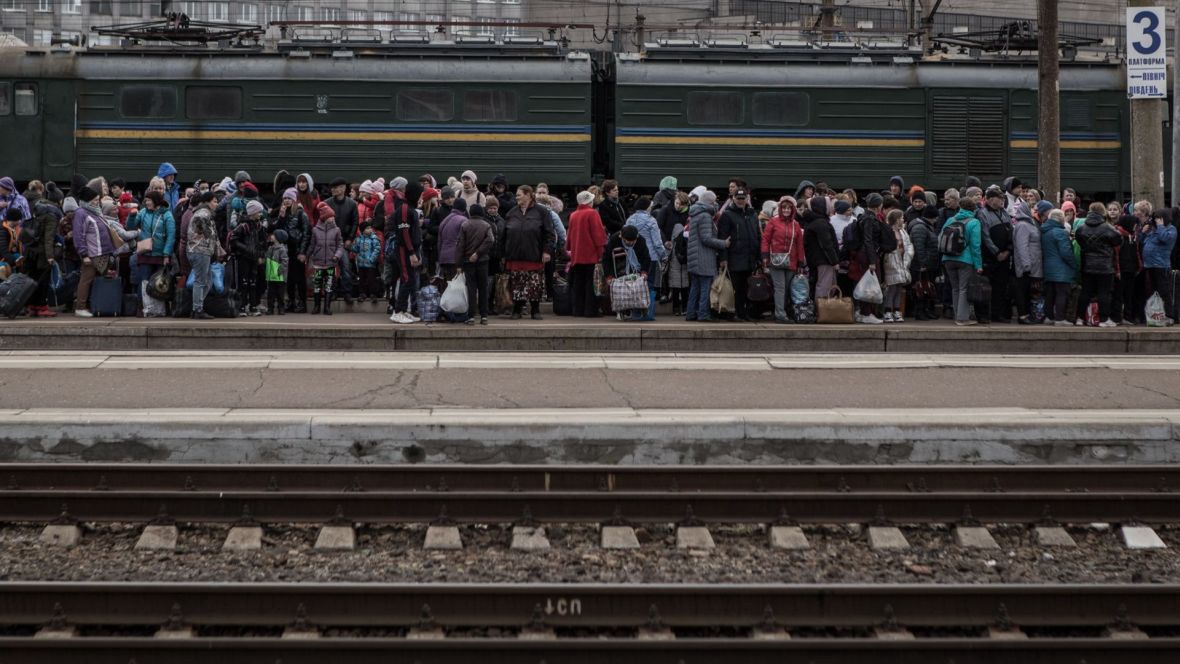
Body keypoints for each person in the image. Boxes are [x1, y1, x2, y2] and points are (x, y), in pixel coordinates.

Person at [500, 185, 555, 320]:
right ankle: (517, 310)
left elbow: (549, 234)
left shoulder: (542, 212)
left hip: (534, 255)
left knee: (534, 284)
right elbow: (504, 235)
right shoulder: (511, 213)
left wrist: (547, 251)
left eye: (519, 194)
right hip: (514, 255)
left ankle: (535, 310)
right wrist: (503, 254)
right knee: (516, 285)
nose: (516, 197)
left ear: (528, 195)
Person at [70, 185, 118, 318]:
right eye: (95, 200)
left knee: (96, 281)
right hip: (92, 254)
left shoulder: (94, 211)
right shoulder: (81, 213)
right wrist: (84, 254)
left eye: (98, 199)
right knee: (86, 280)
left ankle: (96, 305)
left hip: (101, 253)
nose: (98, 202)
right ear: (87, 200)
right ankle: (80, 307)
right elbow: (79, 236)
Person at [126, 191, 176, 311]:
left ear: (156, 201)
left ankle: (160, 308)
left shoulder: (167, 215)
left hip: (160, 254)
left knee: (160, 283)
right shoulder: (143, 213)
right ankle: (142, 307)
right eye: (146, 200)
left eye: (149, 200)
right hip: (145, 253)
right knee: (144, 281)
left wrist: (166, 254)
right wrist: (132, 216)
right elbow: (130, 227)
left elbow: (171, 236)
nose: (146, 202)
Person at [1075, 201, 1122, 327]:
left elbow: (1079, 240)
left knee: (1085, 292)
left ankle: (1080, 318)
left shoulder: (1081, 228)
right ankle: (1104, 319)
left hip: (1087, 266)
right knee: (1104, 293)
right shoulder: (1107, 227)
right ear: (1103, 212)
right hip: (1105, 266)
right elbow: (1118, 240)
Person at [717, 188, 761, 321]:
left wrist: (758, 256)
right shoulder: (727, 215)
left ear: (747, 199)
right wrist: (723, 258)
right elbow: (722, 237)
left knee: (746, 288)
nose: (741, 201)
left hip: (749, 257)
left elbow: (757, 236)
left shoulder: (752, 214)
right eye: (738, 198)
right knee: (734, 288)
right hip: (734, 257)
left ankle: (743, 313)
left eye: (743, 198)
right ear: (733, 199)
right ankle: (733, 312)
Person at [384, 178, 423, 324]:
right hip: (404, 250)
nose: (421, 197)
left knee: (410, 280)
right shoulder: (405, 209)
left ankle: (404, 311)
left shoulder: (409, 208)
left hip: (410, 250)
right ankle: (398, 311)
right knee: (406, 279)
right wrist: (412, 252)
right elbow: (404, 232)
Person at [761, 196, 806, 323]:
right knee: (780, 288)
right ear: (780, 208)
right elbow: (766, 239)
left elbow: (799, 244)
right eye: (784, 207)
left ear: (793, 210)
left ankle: (782, 311)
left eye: (789, 208)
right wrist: (764, 255)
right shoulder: (773, 222)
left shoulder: (795, 225)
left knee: (786, 288)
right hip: (776, 260)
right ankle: (780, 314)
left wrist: (800, 261)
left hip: (791, 260)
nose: (786, 210)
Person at [685, 190, 728, 322]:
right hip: (703, 257)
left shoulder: (696, 214)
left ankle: (691, 313)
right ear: (709, 202)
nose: (716, 204)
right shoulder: (705, 216)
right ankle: (703, 314)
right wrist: (724, 243)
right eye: (714, 201)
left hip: (695, 256)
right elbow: (706, 238)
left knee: (695, 287)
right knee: (705, 286)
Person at [624, 196, 667, 321]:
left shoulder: (630, 219)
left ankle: (636, 313)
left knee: (634, 285)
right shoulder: (651, 220)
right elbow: (657, 242)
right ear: (647, 207)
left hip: (633, 257)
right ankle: (647, 312)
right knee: (649, 285)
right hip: (650, 257)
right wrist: (663, 256)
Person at [941, 202, 983, 326]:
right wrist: (978, 265)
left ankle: (957, 314)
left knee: (955, 288)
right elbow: (975, 246)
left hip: (948, 258)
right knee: (963, 288)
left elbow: (941, 237)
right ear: (973, 209)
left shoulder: (950, 220)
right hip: (965, 259)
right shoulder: (974, 222)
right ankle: (962, 318)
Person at [566, 190, 607, 318]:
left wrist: (570, 250)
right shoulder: (593, 213)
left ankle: (578, 310)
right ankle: (591, 311)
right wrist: (601, 253)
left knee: (578, 284)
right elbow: (598, 235)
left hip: (577, 255)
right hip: (591, 255)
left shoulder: (573, 215)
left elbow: (569, 237)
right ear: (589, 201)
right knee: (592, 284)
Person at [977, 187, 1014, 322]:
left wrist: (1008, 250)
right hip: (990, 257)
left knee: (1001, 287)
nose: (1003, 201)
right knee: (986, 287)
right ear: (991, 199)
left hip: (1005, 256)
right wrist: (997, 252)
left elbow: (1011, 231)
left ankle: (997, 314)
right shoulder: (983, 213)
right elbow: (985, 236)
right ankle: (984, 315)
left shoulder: (1004, 213)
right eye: (1000, 198)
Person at [21, 194, 61, 317]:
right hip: (42, 254)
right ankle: (42, 307)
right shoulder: (52, 217)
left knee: (32, 280)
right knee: (43, 282)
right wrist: (50, 256)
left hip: (31, 252)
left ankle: (32, 306)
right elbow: (48, 238)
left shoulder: (39, 212)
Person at [272, 188, 310, 313]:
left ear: (294, 199)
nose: (287, 201)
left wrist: (303, 252)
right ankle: (292, 302)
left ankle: (302, 303)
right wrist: (281, 217)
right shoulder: (283, 213)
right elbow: (277, 231)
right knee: (289, 278)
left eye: (289, 198)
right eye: (285, 198)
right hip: (285, 250)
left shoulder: (300, 213)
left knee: (299, 278)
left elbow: (306, 233)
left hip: (297, 249)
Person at [457, 203, 496, 325]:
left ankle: (471, 316)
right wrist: (479, 253)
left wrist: (458, 264)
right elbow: (491, 240)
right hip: (483, 261)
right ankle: (484, 316)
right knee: (483, 288)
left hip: (468, 262)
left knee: (471, 288)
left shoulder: (465, 225)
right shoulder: (486, 225)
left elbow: (460, 246)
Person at [602, 225, 650, 321]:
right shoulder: (614, 240)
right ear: (621, 237)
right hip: (619, 267)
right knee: (621, 291)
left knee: (634, 290)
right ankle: (622, 310)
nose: (630, 243)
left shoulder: (641, 240)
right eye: (627, 241)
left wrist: (644, 272)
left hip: (635, 269)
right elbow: (606, 259)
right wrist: (609, 276)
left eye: (633, 241)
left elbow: (646, 258)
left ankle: (636, 310)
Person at [1139, 201, 1177, 318]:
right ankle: (1155, 314)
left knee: (1164, 291)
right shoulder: (1153, 230)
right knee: (1152, 290)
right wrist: (1143, 233)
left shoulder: (1171, 229)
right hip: (1149, 265)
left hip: (1161, 265)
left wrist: (1160, 226)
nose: (1155, 221)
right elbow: (1143, 242)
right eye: (1155, 219)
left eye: (1158, 218)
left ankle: (1170, 315)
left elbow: (1165, 239)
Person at [186, 191, 219, 320]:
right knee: (200, 281)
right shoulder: (203, 214)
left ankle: (196, 306)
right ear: (208, 202)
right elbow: (208, 233)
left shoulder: (203, 213)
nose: (217, 204)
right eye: (215, 201)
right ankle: (197, 309)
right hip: (200, 250)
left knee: (208, 280)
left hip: (201, 251)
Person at [1041, 208, 1077, 326]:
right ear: (1061, 220)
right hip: (1061, 269)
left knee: (1050, 294)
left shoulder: (1045, 231)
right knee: (1062, 293)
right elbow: (1066, 252)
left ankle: (1049, 317)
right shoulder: (1060, 232)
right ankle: (1060, 319)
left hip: (1048, 267)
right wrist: (1073, 265)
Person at [227, 199, 264, 316]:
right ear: (252, 213)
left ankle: (252, 306)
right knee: (243, 282)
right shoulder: (243, 226)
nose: (260, 214)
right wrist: (246, 249)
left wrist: (260, 255)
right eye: (259, 212)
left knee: (253, 282)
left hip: (253, 258)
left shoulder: (259, 226)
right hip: (244, 258)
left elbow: (262, 242)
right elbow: (233, 239)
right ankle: (242, 306)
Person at [326, 177, 359, 304]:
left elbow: (355, 222)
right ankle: (332, 292)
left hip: (344, 240)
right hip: (331, 241)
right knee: (331, 268)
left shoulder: (351, 204)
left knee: (345, 267)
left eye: (336, 187)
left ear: (343, 188)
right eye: (332, 188)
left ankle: (347, 292)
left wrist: (350, 238)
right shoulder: (327, 203)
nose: (333, 190)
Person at [1010, 199, 1043, 325]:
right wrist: (1026, 265)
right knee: (1022, 291)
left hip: (1032, 264)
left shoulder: (1029, 224)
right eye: (1031, 208)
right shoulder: (1023, 225)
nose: (1034, 211)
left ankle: (1027, 314)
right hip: (1026, 266)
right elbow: (1022, 246)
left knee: (1026, 291)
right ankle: (1023, 315)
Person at [308, 201, 343, 315]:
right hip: (318, 263)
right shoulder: (315, 230)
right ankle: (316, 306)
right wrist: (307, 255)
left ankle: (327, 307)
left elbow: (340, 245)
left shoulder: (337, 230)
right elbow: (312, 245)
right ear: (324, 217)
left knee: (328, 286)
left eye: (333, 216)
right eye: (330, 216)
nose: (333, 218)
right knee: (317, 286)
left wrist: (336, 256)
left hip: (330, 263)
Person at [804, 194, 839, 302]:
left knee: (822, 284)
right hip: (824, 260)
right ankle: (821, 310)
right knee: (824, 286)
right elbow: (827, 244)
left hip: (817, 259)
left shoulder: (814, 222)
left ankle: (821, 310)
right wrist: (834, 261)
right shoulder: (821, 223)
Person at [662, 192, 692, 316]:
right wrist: (665, 241)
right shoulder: (666, 211)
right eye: (677, 203)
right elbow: (660, 227)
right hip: (671, 249)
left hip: (685, 250)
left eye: (681, 205)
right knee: (674, 279)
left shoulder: (689, 213)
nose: (678, 206)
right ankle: (676, 306)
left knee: (684, 280)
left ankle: (684, 306)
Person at [881, 209, 914, 322]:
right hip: (891, 262)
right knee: (891, 287)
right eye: (901, 218)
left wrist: (908, 257)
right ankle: (887, 311)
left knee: (899, 287)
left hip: (902, 262)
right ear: (896, 220)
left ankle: (896, 309)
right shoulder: (888, 231)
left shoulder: (903, 232)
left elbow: (909, 245)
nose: (903, 220)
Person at [1113, 214, 1142, 325]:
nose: (1136, 227)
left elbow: (1136, 252)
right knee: (1119, 294)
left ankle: (1127, 316)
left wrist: (1139, 266)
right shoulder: (1120, 236)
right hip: (1122, 270)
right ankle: (1118, 316)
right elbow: (1116, 255)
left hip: (1131, 269)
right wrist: (1117, 270)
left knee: (1129, 294)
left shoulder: (1133, 236)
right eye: (1135, 224)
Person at [438, 197, 469, 282]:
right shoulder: (463, 220)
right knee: (456, 287)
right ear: (464, 208)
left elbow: (439, 242)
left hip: (444, 258)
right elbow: (464, 242)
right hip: (455, 259)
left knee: (448, 286)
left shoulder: (445, 220)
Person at [352, 222, 382, 303]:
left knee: (371, 279)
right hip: (361, 264)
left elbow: (377, 249)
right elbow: (355, 249)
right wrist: (352, 246)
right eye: (367, 228)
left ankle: (373, 294)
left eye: (370, 228)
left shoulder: (374, 239)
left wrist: (372, 259)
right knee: (362, 279)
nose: (370, 230)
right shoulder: (359, 239)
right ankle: (362, 294)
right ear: (362, 230)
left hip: (370, 263)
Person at [264, 229, 289, 315]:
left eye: (273, 235)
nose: (271, 236)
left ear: (278, 238)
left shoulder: (282, 249)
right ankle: (270, 308)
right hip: (271, 276)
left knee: (280, 294)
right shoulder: (270, 248)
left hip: (279, 276)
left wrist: (280, 270)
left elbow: (285, 261)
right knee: (270, 294)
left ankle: (281, 308)